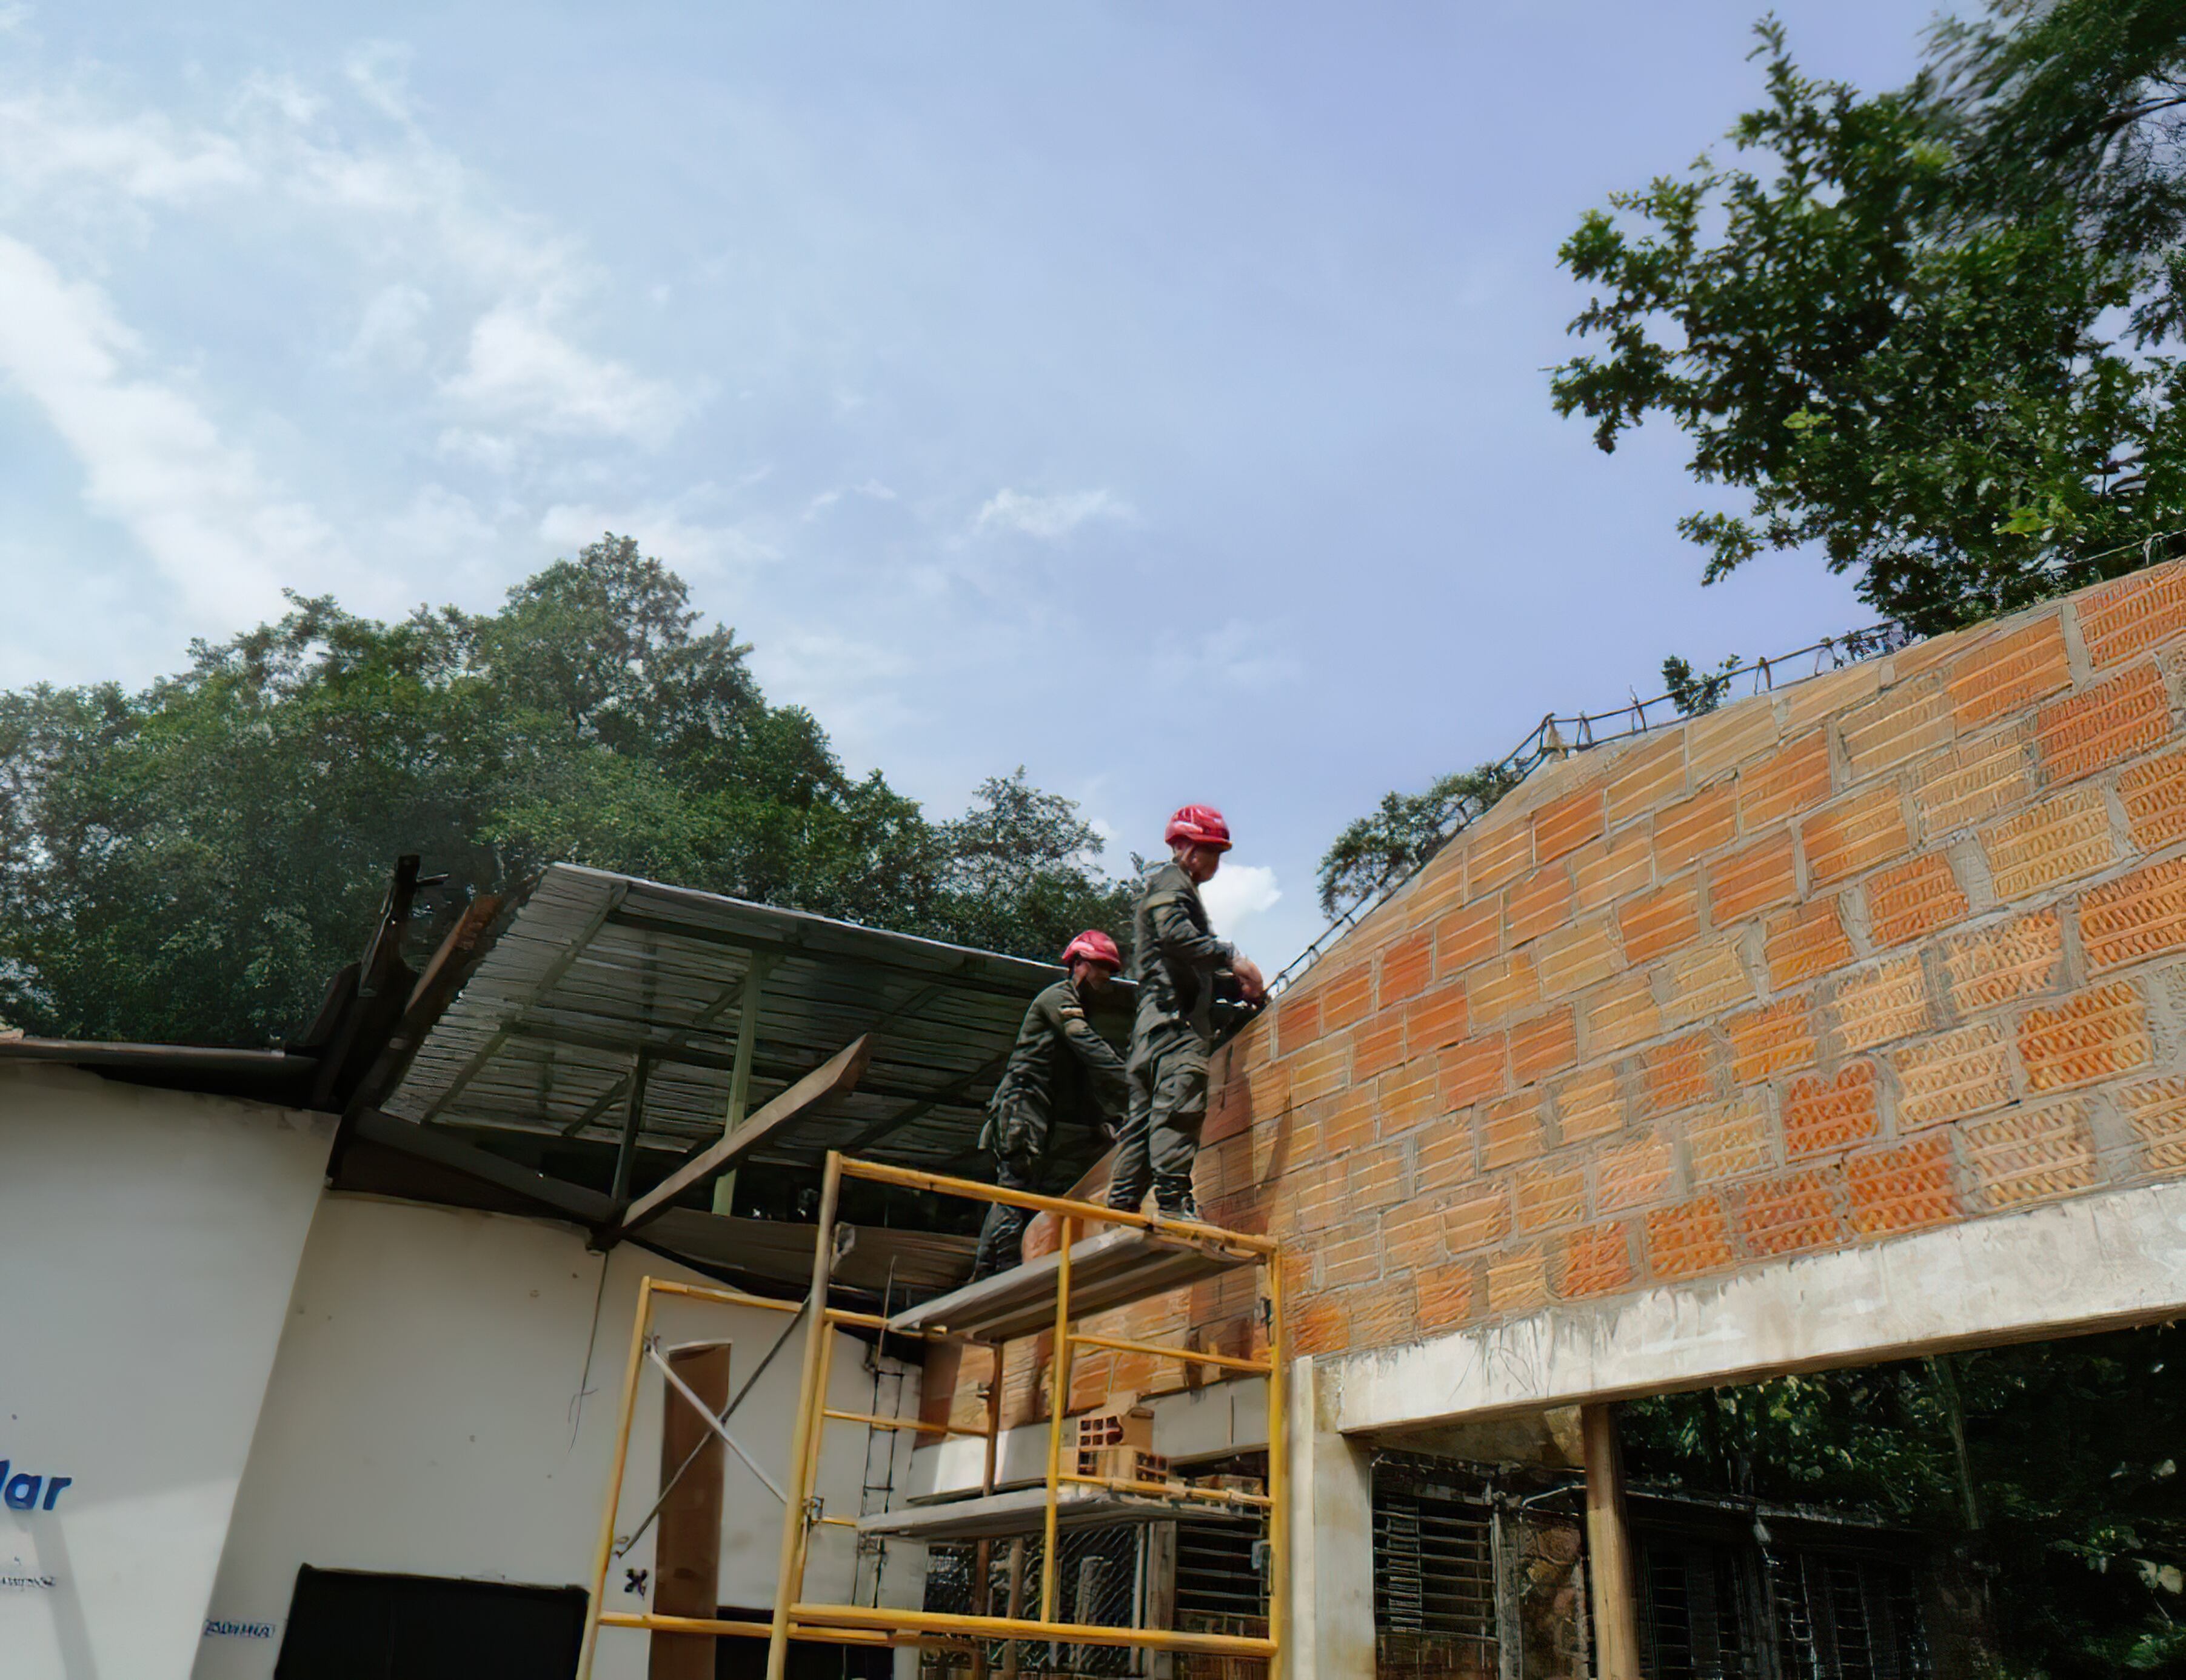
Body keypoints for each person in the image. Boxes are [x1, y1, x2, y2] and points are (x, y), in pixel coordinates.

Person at [1107, 805, 1265, 1222]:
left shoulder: (1175, 889)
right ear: (1187, 849)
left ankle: (1121, 1209)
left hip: (1152, 1030)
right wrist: (1232, 957)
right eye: (1211, 851)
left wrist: (1236, 990)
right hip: (1174, 1029)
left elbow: (1184, 966)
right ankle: (1175, 1204)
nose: (1214, 861)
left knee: (1141, 1126)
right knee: (1179, 1109)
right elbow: (1176, 939)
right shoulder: (1172, 884)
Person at [972, 930, 1129, 1279]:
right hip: (1022, 1102)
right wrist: (1133, 1083)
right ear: (1078, 963)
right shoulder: (1059, 999)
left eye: (1110, 969)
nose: (1107, 976)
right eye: (1102, 966)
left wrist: (1106, 1118)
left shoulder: (1078, 1008)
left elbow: (1081, 1077)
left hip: (1036, 1107)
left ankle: (983, 1274)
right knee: (1015, 1188)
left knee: (1014, 1189)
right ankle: (1003, 1275)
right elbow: (1086, 1045)